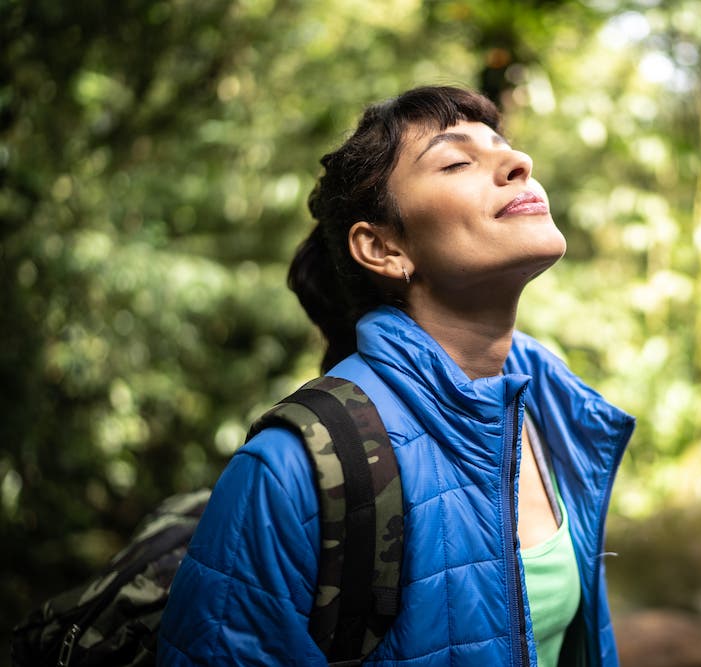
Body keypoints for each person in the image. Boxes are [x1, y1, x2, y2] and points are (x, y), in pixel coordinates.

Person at [157, 85, 634, 666]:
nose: (518, 163)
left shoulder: (554, 409)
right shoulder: (291, 469)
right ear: (382, 247)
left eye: (505, 148)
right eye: (457, 161)